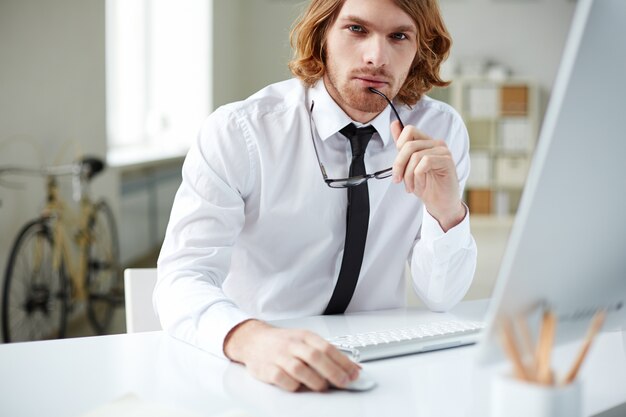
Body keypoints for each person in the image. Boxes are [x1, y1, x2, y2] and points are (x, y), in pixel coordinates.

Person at [155, 0, 477, 393]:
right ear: (322, 33)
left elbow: (442, 297)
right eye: (356, 29)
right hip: (258, 367)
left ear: (419, 48)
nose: (377, 57)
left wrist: (446, 210)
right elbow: (181, 278)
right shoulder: (239, 132)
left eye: (399, 36)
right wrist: (251, 339)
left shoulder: (440, 131)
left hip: (382, 366)